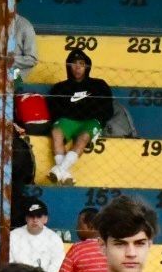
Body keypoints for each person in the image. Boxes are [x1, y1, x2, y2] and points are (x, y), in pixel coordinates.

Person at [46, 49, 113, 186]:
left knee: (83, 138)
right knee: (56, 132)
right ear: (68, 66)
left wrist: (97, 120)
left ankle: (59, 170)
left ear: (87, 66)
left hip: (90, 122)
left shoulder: (99, 85)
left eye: (81, 64)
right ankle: (64, 173)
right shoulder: (59, 88)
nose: (77, 67)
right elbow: (54, 110)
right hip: (69, 121)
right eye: (74, 63)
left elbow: (107, 108)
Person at [9, 199, 65, 272]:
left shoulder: (54, 239)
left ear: (46, 219)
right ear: (26, 218)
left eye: (39, 216)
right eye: (31, 216)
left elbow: (57, 267)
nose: (35, 220)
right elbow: (9, 265)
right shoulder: (13, 236)